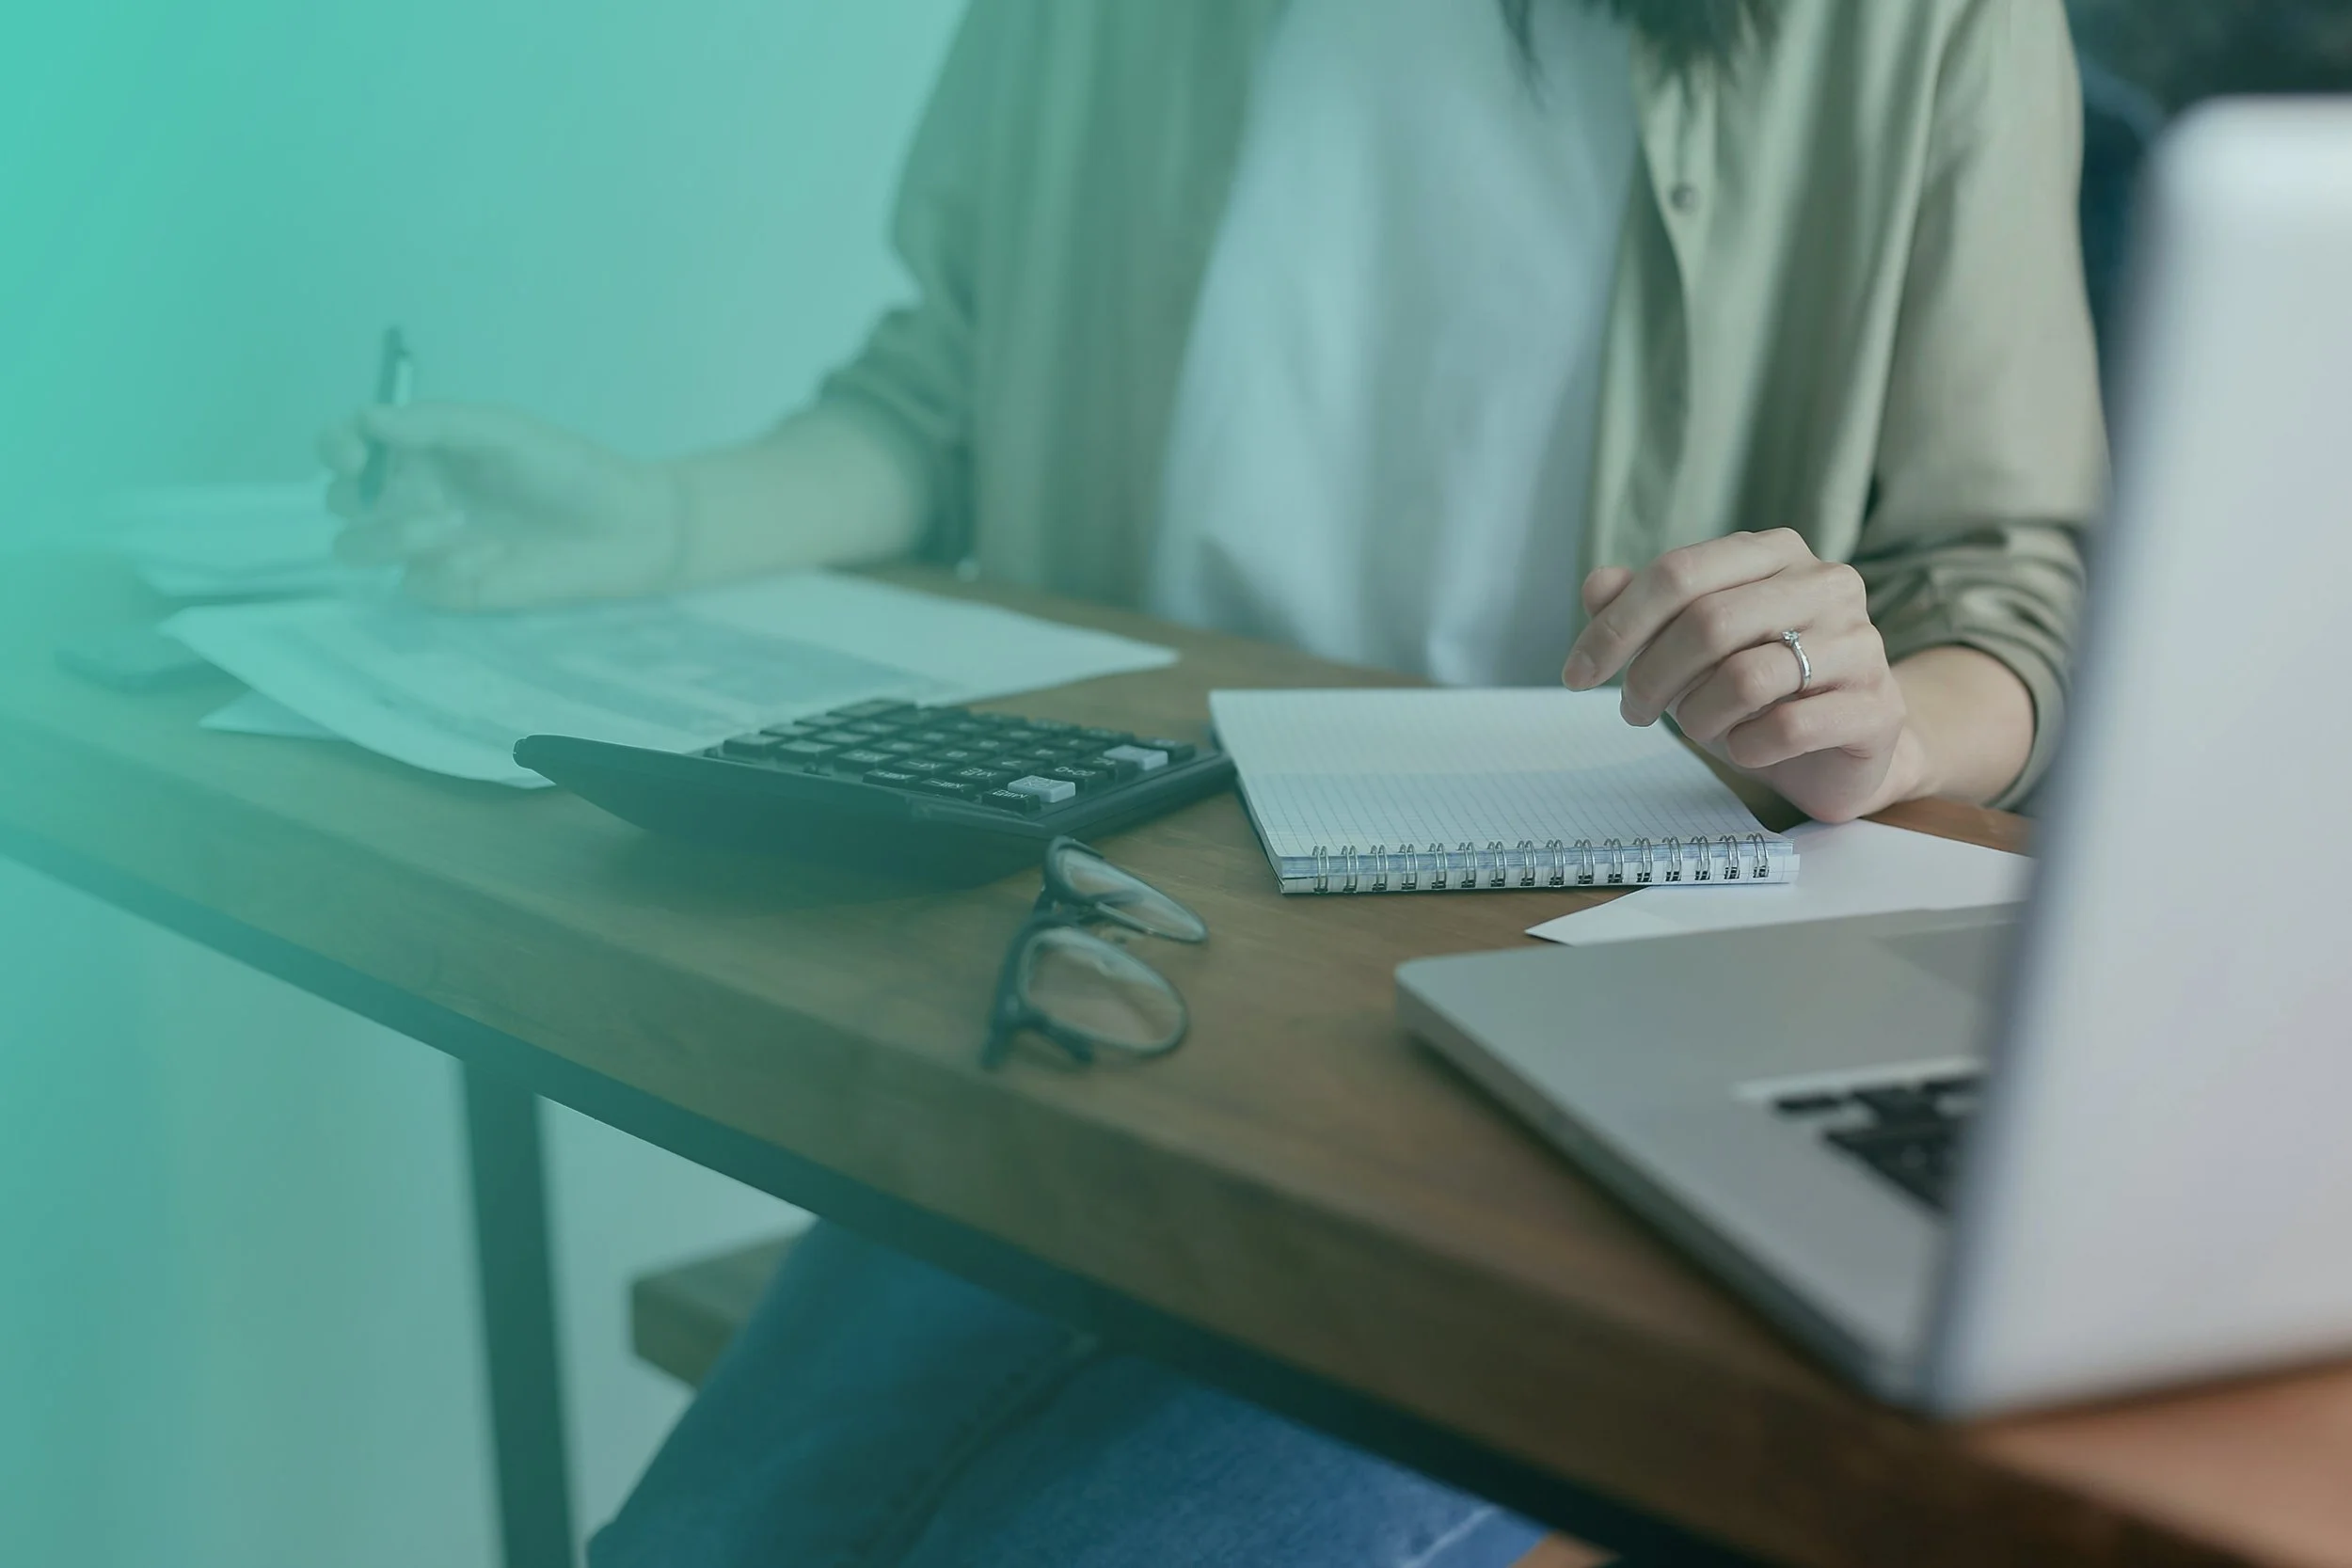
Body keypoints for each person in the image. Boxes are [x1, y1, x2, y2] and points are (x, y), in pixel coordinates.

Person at [320, 1, 2105, 1561]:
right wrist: (662, 520)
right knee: (695, 1547)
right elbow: (944, 392)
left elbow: (2008, 589)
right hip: (1115, 967)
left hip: (1573, 1029)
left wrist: (1875, 726)